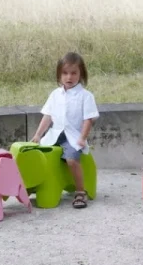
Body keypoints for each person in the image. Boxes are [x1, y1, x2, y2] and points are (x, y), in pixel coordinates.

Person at [31, 52, 100, 209]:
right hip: (54, 135)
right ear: (59, 74)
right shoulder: (55, 95)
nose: (69, 77)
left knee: (71, 159)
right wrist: (37, 135)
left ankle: (80, 192)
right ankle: (37, 185)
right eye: (65, 73)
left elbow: (88, 119)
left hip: (72, 137)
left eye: (74, 73)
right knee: (37, 154)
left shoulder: (85, 96)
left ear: (81, 74)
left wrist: (82, 138)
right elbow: (47, 116)